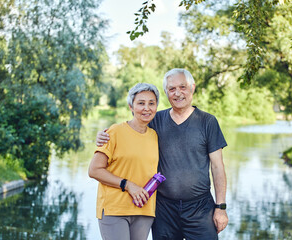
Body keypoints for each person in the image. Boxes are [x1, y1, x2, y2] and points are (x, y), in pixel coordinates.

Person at [96, 68, 228, 240]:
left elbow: (218, 167)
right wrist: (102, 135)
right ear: (166, 93)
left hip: (200, 209)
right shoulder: (154, 120)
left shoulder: (208, 122)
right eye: (172, 89)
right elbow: (130, 129)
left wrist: (221, 207)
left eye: (183, 87)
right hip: (163, 208)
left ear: (192, 88)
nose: (178, 93)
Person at [88, 83, 160, 240]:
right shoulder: (114, 132)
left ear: (156, 107)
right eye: (141, 103)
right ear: (131, 106)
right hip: (115, 209)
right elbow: (94, 170)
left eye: (151, 103)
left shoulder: (156, 136)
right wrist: (128, 185)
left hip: (144, 210)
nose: (146, 108)